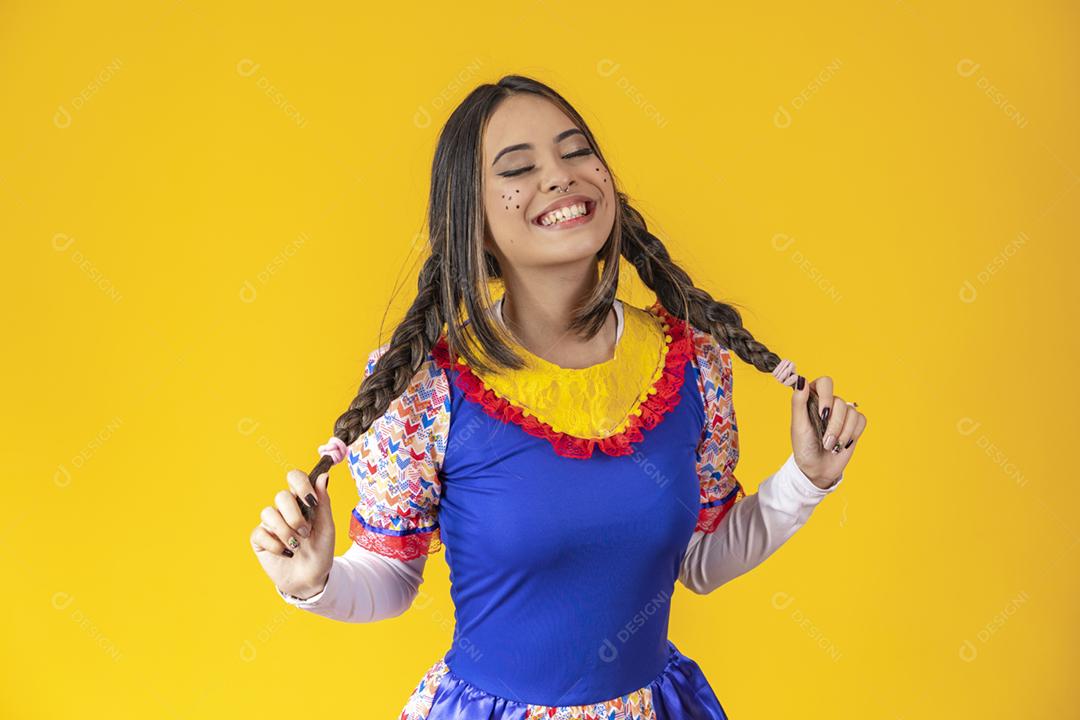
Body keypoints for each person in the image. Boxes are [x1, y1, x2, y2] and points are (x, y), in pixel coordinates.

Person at [249, 75, 867, 719]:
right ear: (473, 223)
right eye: (518, 168)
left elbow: (700, 560)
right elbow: (392, 578)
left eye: (576, 152)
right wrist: (314, 583)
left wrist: (806, 480)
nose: (560, 176)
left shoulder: (690, 363)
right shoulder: (428, 391)